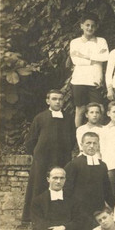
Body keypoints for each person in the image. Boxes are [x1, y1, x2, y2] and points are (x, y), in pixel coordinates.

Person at [23, 90, 77, 223]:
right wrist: (37, 156)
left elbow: (72, 139)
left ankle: (59, 217)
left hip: (62, 159)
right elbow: (31, 140)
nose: (57, 102)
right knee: (39, 186)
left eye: (60, 99)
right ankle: (34, 218)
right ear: (48, 101)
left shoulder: (68, 118)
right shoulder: (40, 118)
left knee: (60, 186)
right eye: (54, 99)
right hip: (42, 160)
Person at [63, 131, 114, 230]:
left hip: (97, 210)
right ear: (82, 145)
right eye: (88, 143)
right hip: (79, 211)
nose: (91, 146)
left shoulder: (102, 165)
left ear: (98, 145)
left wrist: (113, 205)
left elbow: (107, 189)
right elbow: (67, 190)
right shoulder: (74, 164)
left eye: (95, 143)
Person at [69, 15, 110, 129]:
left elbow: (105, 57)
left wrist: (84, 56)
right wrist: (95, 59)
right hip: (79, 80)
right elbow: (75, 60)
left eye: (92, 26)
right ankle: (78, 138)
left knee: (99, 108)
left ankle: (99, 135)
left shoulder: (101, 41)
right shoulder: (75, 42)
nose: (90, 28)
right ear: (81, 26)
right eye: (87, 25)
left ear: (96, 27)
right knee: (80, 109)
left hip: (95, 80)